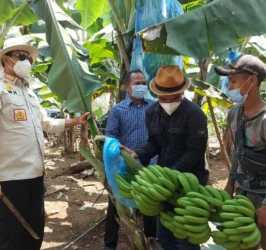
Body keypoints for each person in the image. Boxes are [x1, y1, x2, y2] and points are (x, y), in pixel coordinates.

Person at [0, 38, 90, 250]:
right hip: (7, 179)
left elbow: (46, 123)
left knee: (33, 233)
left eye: (28, 58)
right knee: (6, 238)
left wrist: (75, 121)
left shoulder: (29, 93)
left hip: (34, 176)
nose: (26, 61)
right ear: (6, 59)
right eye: (21, 56)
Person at [122, 65, 209, 250]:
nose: (168, 102)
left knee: (187, 234)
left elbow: (195, 151)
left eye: (173, 98)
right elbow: (154, 143)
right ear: (157, 95)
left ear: (181, 93)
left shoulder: (194, 115)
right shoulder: (151, 112)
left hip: (190, 181)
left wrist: (171, 175)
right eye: (163, 98)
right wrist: (138, 152)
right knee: (165, 231)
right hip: (164, 180)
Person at [215, 54, 266, 249]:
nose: (229, 88)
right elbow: (238, 150)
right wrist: (230, 183)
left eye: (233, 81)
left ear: (251, 81)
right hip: (243, 192)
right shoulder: (235, 113)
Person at [103, 70, 156, 250]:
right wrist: (118, 149)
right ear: (127, 87)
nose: (141, 86)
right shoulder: (118, 109)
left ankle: (151, 241)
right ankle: (110, 244)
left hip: (151, 162)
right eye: (137, 83)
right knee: (116, 204)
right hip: (125, 164)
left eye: (143, 83)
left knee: (150, 206)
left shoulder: (154, 107)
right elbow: (110, 135)